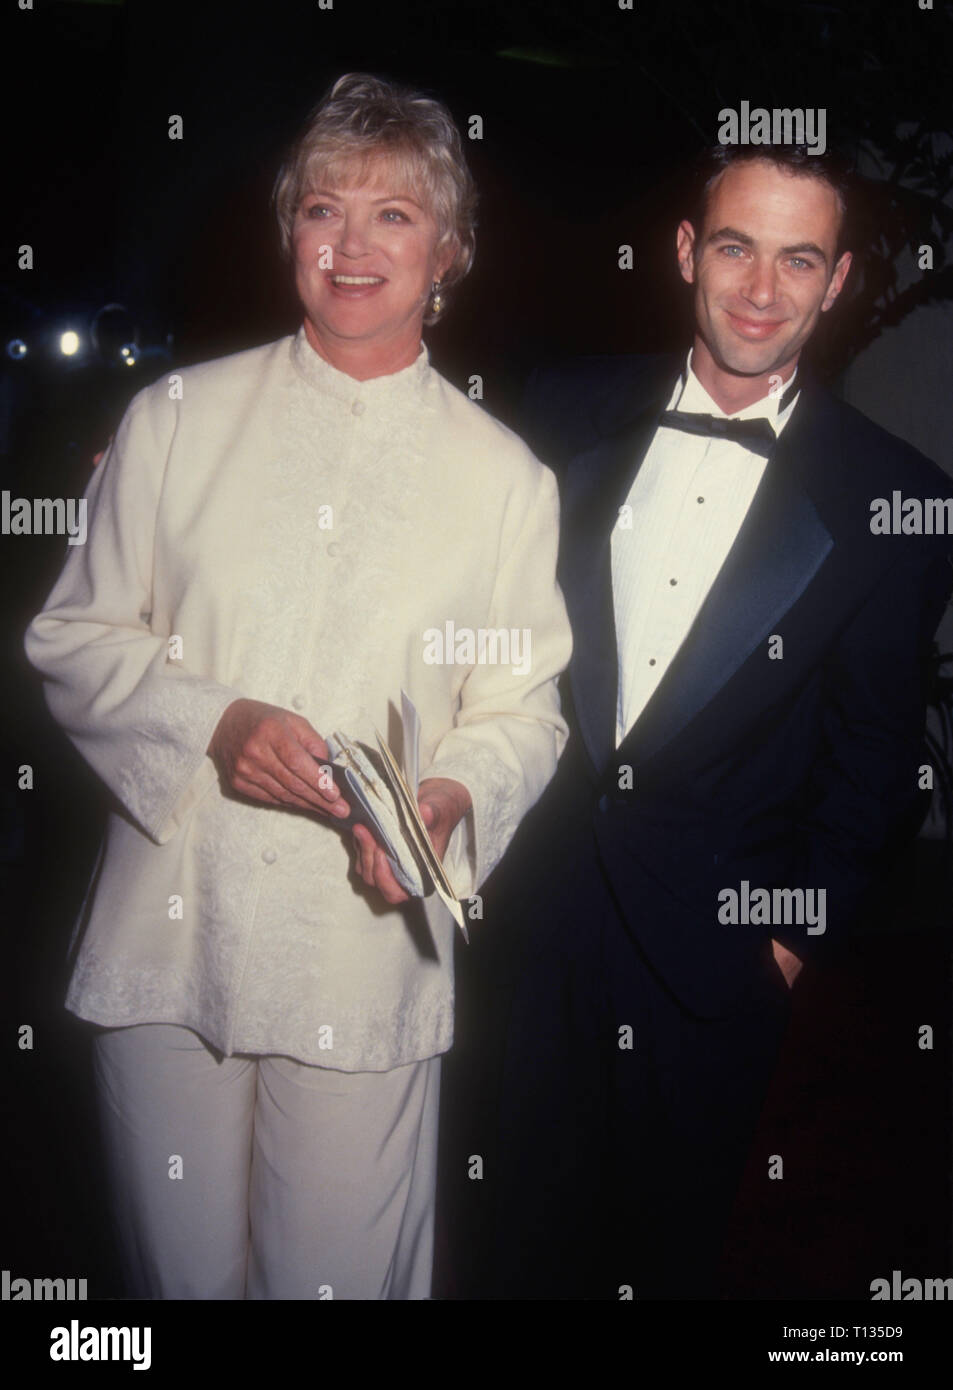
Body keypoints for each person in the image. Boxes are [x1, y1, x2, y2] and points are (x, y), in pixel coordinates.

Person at [23, 72, 571, 1301]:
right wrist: (211, 722)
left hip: (363, 944)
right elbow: (75, 633)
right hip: (166, 935)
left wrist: (441, 801)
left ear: (452, 251)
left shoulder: (504, 481)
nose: (353, 243)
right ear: (289, 236)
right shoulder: (171, 420)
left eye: (395, 214)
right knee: (177, 1284)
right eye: (323, 209)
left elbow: (520, 710)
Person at [473, 143, 953, 1299]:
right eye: (734, 246)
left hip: (713, 964)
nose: (758, 288)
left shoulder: (900, 497)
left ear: (835, 282)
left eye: (798, 259)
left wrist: (784, 947)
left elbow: (874, 762)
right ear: (686, 252)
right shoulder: (557, 408)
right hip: (519, 926)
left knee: (662, 1260)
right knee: (498, 1247)